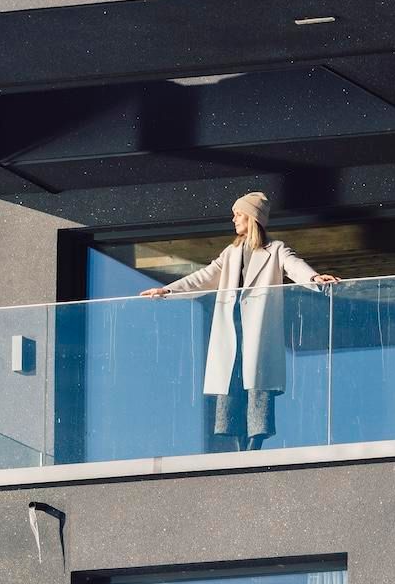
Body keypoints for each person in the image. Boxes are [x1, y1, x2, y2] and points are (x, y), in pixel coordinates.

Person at [142, 191, 339, 449]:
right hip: (232, 332)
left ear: (252, 217)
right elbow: (203, 277)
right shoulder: (230, 253)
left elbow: (294, 266)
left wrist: (314, 278)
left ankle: (254, 446)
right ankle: (238, 448)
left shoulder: (275, 250)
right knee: (231, 386)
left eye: (239, 214)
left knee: (258, 388)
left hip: (257, 333)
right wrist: (168, 290)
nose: (234, 219)